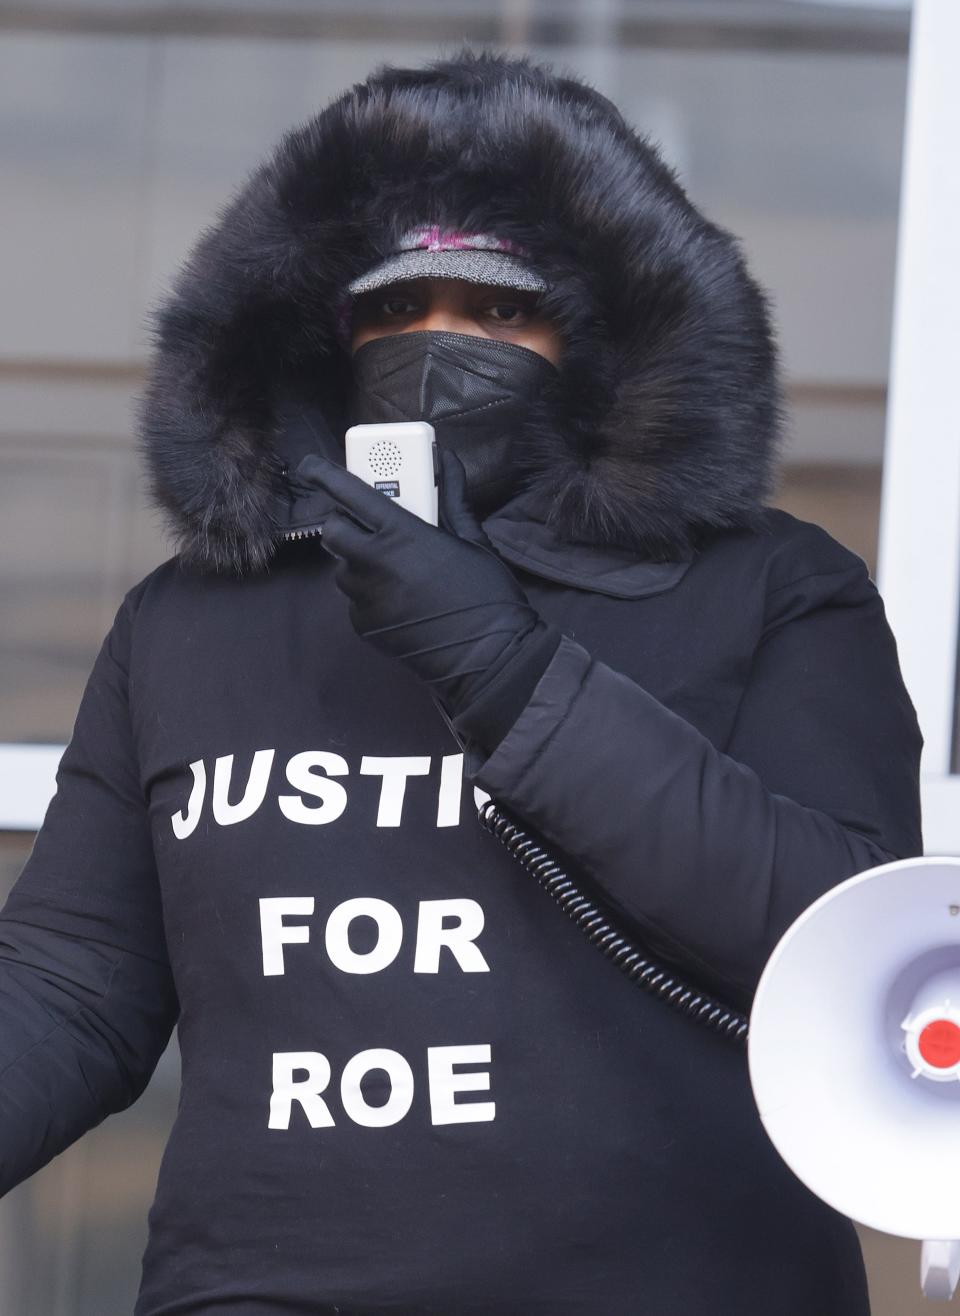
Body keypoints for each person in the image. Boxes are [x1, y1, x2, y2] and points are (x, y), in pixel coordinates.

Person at [0, 47, 922, 1316]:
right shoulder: (192, 621)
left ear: (606, 331)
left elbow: (854, 946)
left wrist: (505, 666)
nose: (434, 348)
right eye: (389, 310)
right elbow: (71, 980)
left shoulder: (770, 588)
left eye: (498, 311)